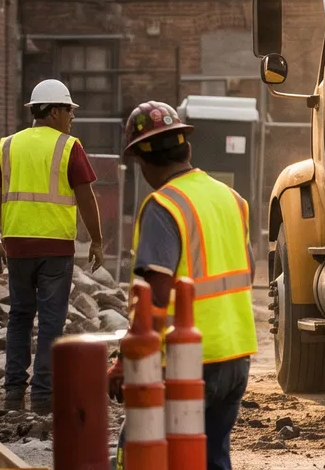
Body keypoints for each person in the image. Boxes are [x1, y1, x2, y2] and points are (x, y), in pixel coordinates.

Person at [123, 101, 255, 470]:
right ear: (188, 148)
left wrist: (127, 362)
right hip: (236, 355)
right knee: (213, 459)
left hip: (187, 361)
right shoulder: (231, 198)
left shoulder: (163, 205)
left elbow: (156, 295)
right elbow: (250, 272)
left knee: (146, 453)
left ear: (142, 162)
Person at [0, 78, 106, 413]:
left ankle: (13, 393)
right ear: (54, 111)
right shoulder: (68, 146)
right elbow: (86, 195)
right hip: (55, 247)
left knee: (20, 317)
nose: (72, 117)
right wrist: (96, 241)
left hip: (17, 246)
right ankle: (42, 396)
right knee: (52, 321)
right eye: (68, 110)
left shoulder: (7, 145)